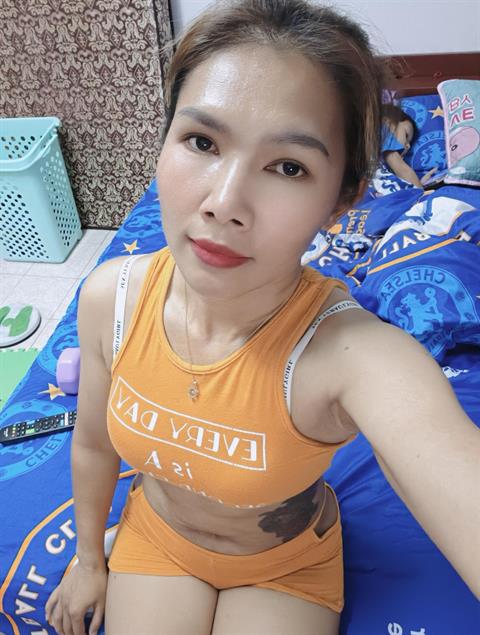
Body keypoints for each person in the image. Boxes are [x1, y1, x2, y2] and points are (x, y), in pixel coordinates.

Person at [45, 1, 480, 634]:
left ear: (342, 200)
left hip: (286, 564)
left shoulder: (350, 355)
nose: (224, 204)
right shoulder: (109, 299)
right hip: (157, 538)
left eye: (288, 167)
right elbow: (91, 442)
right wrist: (89, 560)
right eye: (202, 142)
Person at [381, 103, 438, 188]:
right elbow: (401, 168)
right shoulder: (384, 131)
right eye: (406, 135)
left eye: (409, 143)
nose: (408, 146)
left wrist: (420, 183)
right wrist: (419, 188)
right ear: (389, 122)